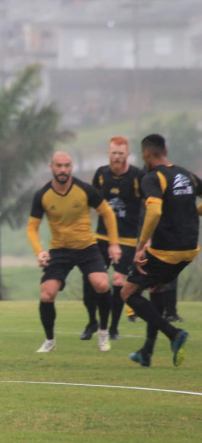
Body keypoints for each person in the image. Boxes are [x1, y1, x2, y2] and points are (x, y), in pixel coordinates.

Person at [27, 151, 121, 353]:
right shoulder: (42, 195)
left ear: (71, 168)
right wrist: (39, 252)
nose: (63, 170)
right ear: (51, 167)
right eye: (59, 166)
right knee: (47, 294)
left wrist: (113, 243)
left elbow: (107, 212)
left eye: (67, 166)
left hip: (87, 248)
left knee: (102, 284)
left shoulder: (85, 189)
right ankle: (50, 341)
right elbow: (32, 227)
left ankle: (103, 332)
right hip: (60, 251)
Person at [121, 134, 201, 367]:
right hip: (190, 251)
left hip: (167, 250)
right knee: (156, 287)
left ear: (146, 153)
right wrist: (193, 212)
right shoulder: (186, 175)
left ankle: (174, 334)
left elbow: (154, 212)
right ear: (165, 150)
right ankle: (146, 353)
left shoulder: (152, 177)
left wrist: (140, 247)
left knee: (128, 293)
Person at [80, 136, 145, 341]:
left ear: (127, 154)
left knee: (118, 280)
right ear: (108, 153)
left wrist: (146, 238)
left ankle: (113, 328)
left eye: (120, 153)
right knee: (92, 280)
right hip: (101, 237)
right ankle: (92, 322)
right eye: (113, 153)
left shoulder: (137, 176)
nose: (117, 157)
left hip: (126, 240)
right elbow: (91, 202)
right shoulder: (101, 174)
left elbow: (146, 206)